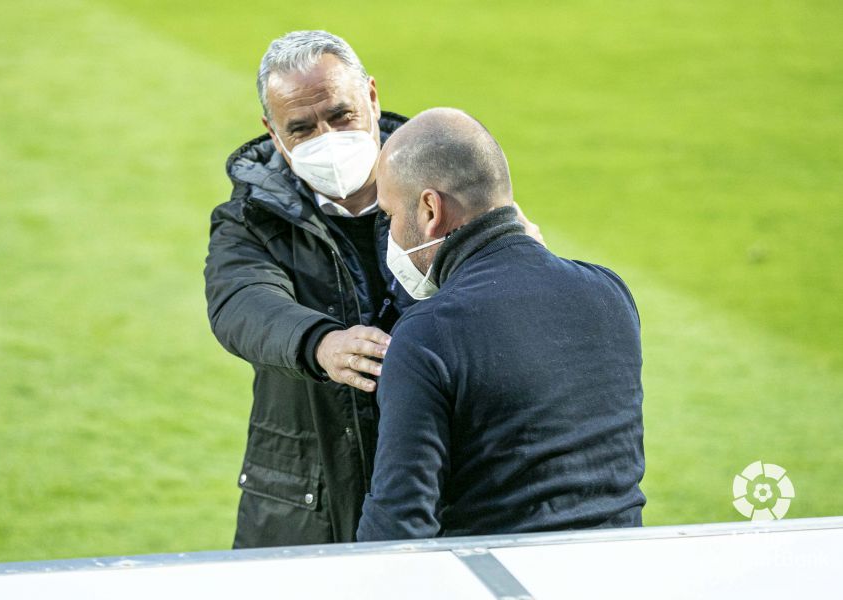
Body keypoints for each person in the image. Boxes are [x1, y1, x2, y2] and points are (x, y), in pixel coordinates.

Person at [204, 31, 543, 548]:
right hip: (308, 499)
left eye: (340, 116)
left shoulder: (449, 181)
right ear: (273, 134)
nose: (327, 137)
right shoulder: (249, 217)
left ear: (372, 97)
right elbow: (241, 302)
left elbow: (506, 286)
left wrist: (520, 259)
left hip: (448, 481)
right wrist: (320, 343)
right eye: (302, 128)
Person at [357, 108, 646, 541]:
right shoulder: (609, 293)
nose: (391, 234)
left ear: (430, 209)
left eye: (390, 216)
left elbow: (398, 528)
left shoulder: (427, 335)